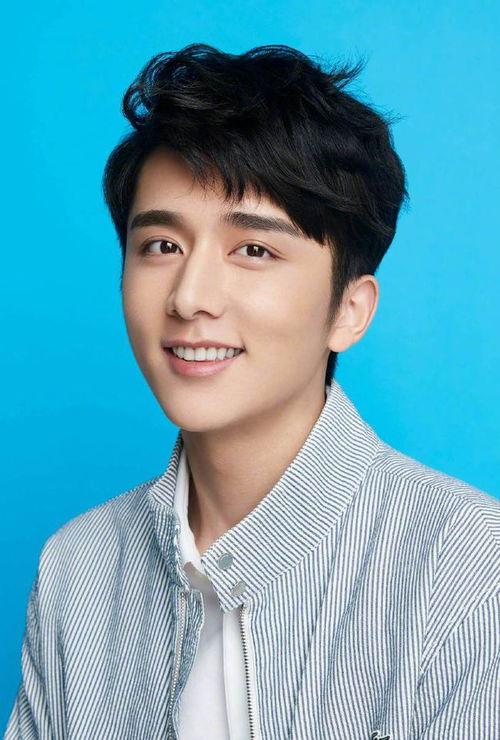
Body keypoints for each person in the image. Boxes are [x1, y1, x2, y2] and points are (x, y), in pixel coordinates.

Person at [5, 43, 499, 739]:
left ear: (349, 310)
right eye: (162, 246)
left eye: (254, 250)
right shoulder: (77, 569)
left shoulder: (469, 568)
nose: (190, 297)